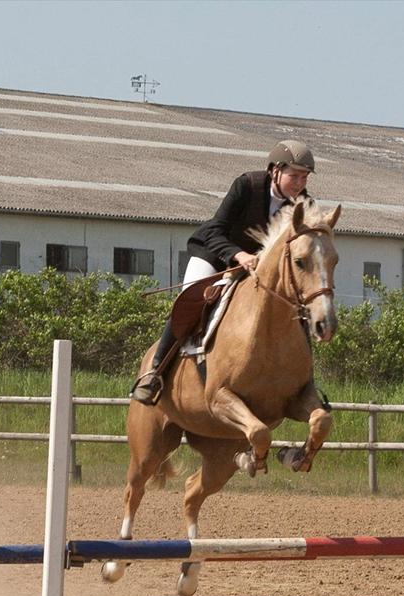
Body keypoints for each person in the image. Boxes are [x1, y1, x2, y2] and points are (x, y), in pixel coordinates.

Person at [130, 139, 316, 405]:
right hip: (215, 255)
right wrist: (237, 255)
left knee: (297, 311)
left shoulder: (303, 204)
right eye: (294, 176)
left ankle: (306, 382)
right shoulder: (247, 186)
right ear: (275, 170)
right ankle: (155, 370)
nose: (299, 184)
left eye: (304, 177)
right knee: (193, 297)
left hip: (256, 269)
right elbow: (213, 230)